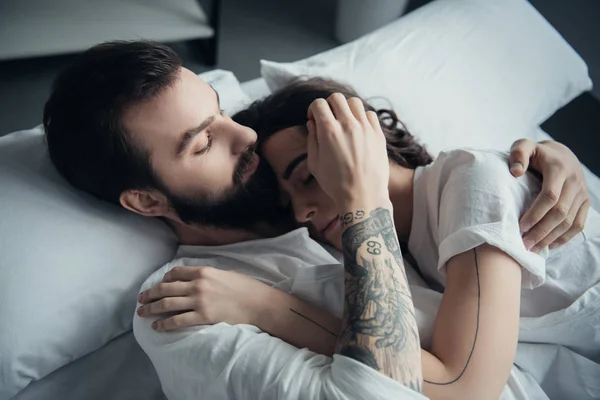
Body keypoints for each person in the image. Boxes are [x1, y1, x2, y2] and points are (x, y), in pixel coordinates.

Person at [42, 41, 593, 399]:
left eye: (222, 113)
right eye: (204, 141)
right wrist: (361, 208)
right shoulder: (185, 305)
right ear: (146, 201)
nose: (246, 136)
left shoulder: (333, 210)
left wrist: (538, 160)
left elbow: (449, 187)